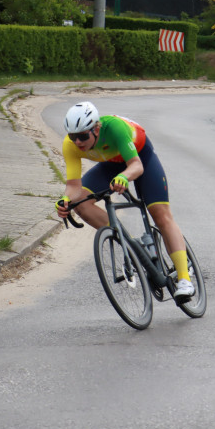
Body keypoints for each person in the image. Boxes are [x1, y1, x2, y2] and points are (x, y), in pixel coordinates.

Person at [55, 101, 195, 300]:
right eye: (73, 136)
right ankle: (129, 242)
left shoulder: (115, 127)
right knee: (82, 205)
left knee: (160, 215)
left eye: (83, 136)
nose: (78, 142)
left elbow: (136, 166)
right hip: (111, 164)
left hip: (140, 158)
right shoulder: (70, 145)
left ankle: (184, 280)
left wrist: (124, 177)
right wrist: (65, 199)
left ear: (96, 128)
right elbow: (74, 186)